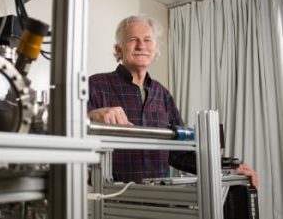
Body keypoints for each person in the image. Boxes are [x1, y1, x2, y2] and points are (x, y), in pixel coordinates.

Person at [87, 15, 258, 188]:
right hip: (112, 201)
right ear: (118, 49)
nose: (141, 46)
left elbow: (180, 152)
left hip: (162, 201)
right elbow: (68, 131)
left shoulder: (163, 94)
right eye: (133, 39)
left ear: (155, 50)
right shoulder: (96, 85)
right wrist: (92, 116)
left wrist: (230, 169)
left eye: (147, 40)